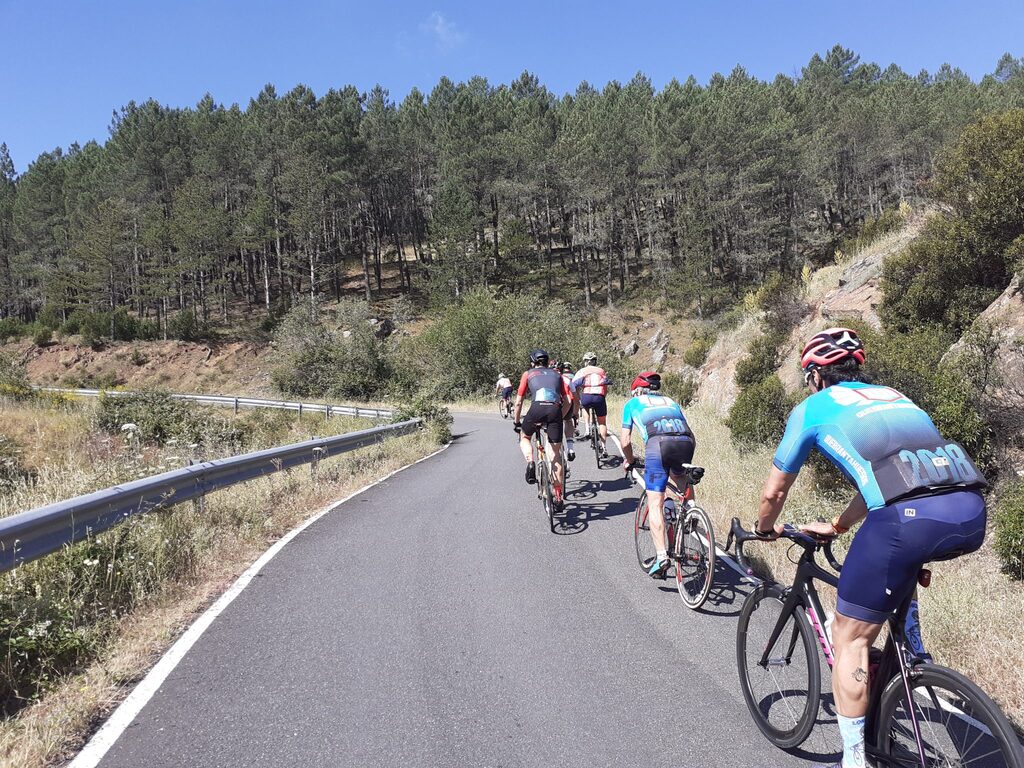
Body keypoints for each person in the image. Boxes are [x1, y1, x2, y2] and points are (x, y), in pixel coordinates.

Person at [754, 327, 988, 768]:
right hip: (970, 510)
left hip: (905, 521)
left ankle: (855, 758)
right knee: (892, 580)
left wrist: (765, 529)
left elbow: (773, 494)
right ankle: (906, 665)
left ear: (816, 375)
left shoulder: (813, 408)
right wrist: (840, 524)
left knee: (851, 636)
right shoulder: (896, 396)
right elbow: (897, 475)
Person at [619, 371, 696, 578]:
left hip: (658, 446)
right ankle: (691, 512)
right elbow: (689, 430)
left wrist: (631, 460)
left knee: (655, 503)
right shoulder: (671, 401)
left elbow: (625, 441)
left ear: (636, 391)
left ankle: (662, 557)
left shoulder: (631, 404)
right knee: (681, 477)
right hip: (686, 442)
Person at [513, 349, 573, 512]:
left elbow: (518, 402)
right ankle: (559, 495)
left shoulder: (528, 374)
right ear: (547, 362)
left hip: (536, 409)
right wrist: (559, 415)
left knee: (525, 437)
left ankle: (531, 462)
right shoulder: (556, 374)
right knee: (555, 455)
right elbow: (567, 400)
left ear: (533, 362)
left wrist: (517, 422)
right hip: (554, 410)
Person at [573, 352, 611, 458]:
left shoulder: (582, 371)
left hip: (587, 395)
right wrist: (603, 396)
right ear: (595, 361)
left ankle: (587, 428)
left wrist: (578, 398)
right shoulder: (601, 370)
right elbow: (605, 385)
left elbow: (573, 384)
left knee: (584, 407)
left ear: (585, 362)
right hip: (599, 396)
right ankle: (604, 447)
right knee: (602, 423)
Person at [559, 361, 579, 461]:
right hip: (569, 401)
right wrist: (576, 412)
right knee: (568, 421)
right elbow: (576, 393)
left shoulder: (553, 377)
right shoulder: (571, 377)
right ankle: (570, 448)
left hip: (555, 403)